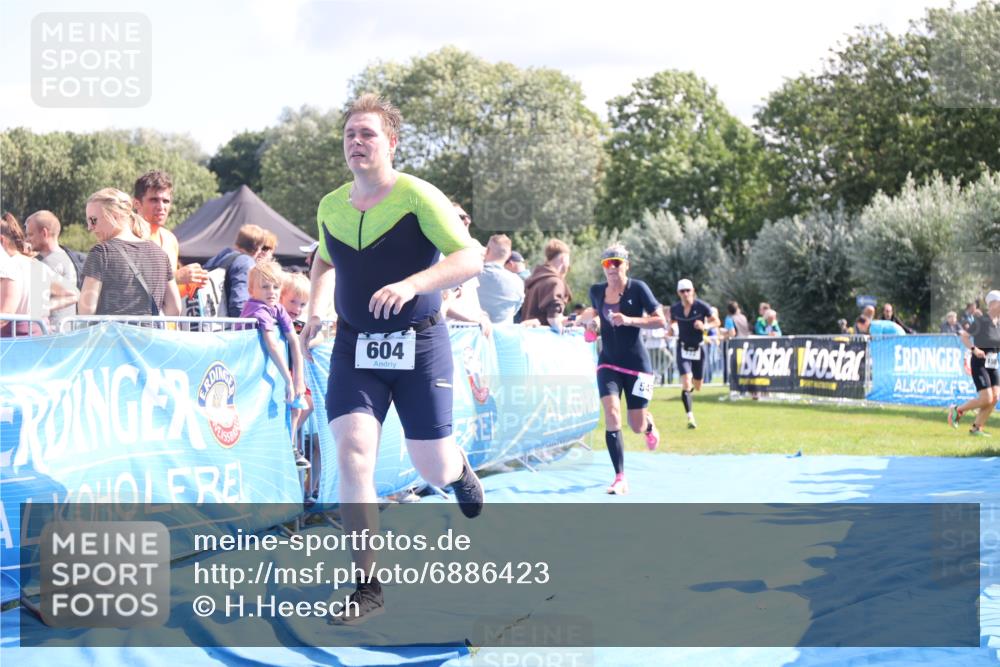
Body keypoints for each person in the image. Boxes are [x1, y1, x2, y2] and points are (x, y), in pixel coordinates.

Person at [299, 94, 484, 624]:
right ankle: (368, 585)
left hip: (421, 344)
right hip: (356, 347)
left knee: (431, 463)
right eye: (350, 134)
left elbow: (469, 256)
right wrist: (315, 309)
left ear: (392, 144)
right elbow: (325, 259)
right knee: (354, 452)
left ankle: (458, 468)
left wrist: (412, 284)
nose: (356, 142)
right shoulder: (331, 204)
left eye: (368, 134)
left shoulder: (419, 196)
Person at [578, 245, 665, 494]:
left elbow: (660, 319)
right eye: (607, 264)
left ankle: (648, 425)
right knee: (613, 414)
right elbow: (592, 312)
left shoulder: (638, 289)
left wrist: (629, 320)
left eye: (617, 263)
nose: (612, 268)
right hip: (608, 363)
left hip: (637, 366)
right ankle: (619, 477)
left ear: (627, 264)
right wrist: (586, 321)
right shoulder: (597, 291)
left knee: (636, 424)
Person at [240, 261, 308, 467]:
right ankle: (279, 451)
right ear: (252, 290)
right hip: (248, 371)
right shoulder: (257, 310)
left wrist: (298, 380)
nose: (272, 292)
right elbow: (272, 344)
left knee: (296, 405)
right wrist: (288, 380)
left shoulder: (277, 308)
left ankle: (289, 448)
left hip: (270, 370)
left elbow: (294, 340)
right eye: (265, 287)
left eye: (276, 287)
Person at [77, 189, 181, 317]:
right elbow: (174, 309)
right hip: (149, 336)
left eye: (93, 220)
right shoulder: (160, 254)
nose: (90, 227)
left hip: (112, 336)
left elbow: (86, 311)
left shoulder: (101, 252)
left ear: (114, 215)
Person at [0, 213, 78, 335]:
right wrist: (44, 307)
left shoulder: (6, 266)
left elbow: (5, 316)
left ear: (2, 241)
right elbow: (73, 294)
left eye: (31, 234)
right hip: (38, 335)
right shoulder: (36, 265)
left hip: (13, 340)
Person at [133, 171, 208, 295]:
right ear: (136, 203)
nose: (161, 206)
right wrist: (176, 277)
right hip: (134, 313)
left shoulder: (170, 239)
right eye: (154, 200)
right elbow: (128, 284)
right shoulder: (128, 237)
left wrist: (190, 284)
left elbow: (169, 293)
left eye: (166, 201)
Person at [281, 271, 320, 500]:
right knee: (297, 409)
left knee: (303, 406)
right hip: (283, 382)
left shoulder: (298, 325)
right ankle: (289, 443)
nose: (297, 307)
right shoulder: (275, 322)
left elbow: (318, 337)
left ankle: (291, 443)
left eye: (302, 304)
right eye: (292, 301)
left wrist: (310, 339)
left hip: (296, 384)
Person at [669, 278, 720, 429]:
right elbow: (671, 322)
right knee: (686, 382)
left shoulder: (701, 306)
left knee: (697, 385)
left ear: (693, 291)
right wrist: (671, 328)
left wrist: (705, 326)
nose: (686, 294)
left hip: (698, 348)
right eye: (682, 291)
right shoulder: (675, 309)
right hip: (682, 348)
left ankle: (689, 390)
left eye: (688, 290)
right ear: (678, 293)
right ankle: (690, 417)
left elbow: (717, 321)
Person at [949, 290, 1000, 436]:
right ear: (993, 304)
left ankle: (977, 428)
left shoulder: (999, 323)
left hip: (992, 362)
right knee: (986, 398)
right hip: (979, 363)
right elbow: (964, 336)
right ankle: (958, 410)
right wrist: (974, 349)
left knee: (995, 397)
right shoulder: (982, 321)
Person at [441, 203, 492, 337]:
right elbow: (439, 303)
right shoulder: (437, 256)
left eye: (468, 217)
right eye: (461, 217)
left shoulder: (469, 255)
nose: (467, 220)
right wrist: (472, 319)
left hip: (470, 337)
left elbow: (472, 299)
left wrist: (482, 315)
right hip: (451, 335)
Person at [23, 210, 78, 330]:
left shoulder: (45, 263)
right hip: (67, 330)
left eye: (30, 234)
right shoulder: (68, 257)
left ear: (44, 233)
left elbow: (34, 302)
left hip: (49, 334)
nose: (27, 239)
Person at [203, 224, 268, 317]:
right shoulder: (246, 263)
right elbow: (239, 304)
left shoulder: (221, 257)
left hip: (206, 320)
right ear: (257, 248)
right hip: (227, 326)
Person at [521, 239, 572, 329]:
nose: (568, 265)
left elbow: (539, 316)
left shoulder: (534, 280)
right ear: (564, 259)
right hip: (545, 340)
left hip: (528, 337)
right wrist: (562, 331)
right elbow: (553, 319)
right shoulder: (555, 282)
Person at [477, 234, 524, 324]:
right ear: (508, 255)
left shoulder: (471, 276)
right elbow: (515, 309)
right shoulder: (518, 282)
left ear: (487, 251)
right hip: (504, 334)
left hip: (471, 334)